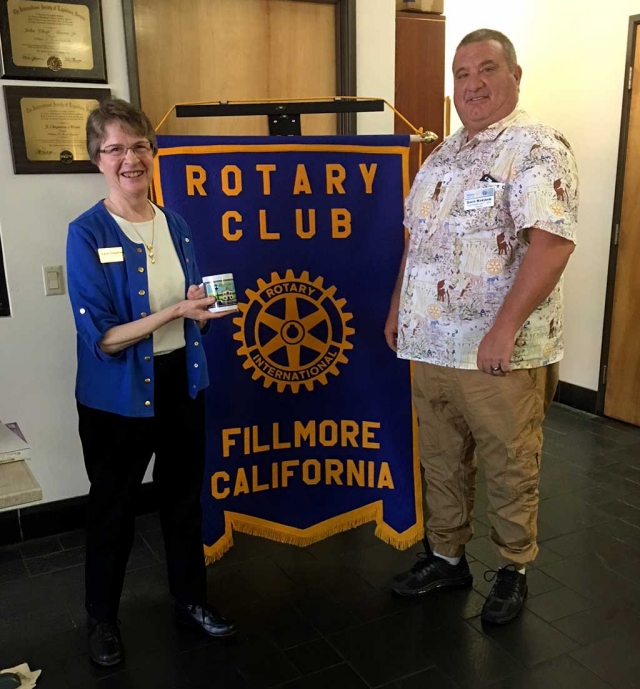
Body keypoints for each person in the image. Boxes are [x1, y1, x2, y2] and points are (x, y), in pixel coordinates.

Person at [384, 29, 578, 624]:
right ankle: (446, 557)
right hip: (431, 343)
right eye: (462, 74)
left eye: (487, 69)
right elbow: (418, 244)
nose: (473, 84)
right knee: (441, 459)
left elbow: (550, 245)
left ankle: (513, 568)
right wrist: (398, 307)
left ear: (515, 76)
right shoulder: (443, 153)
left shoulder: (537, 147)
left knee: (510, 462)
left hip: (498, 353)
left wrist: (502, 330)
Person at [67, 98, 237, 667]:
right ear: (98, 160)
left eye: (138, 145)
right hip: (115, 395)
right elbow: (106, 339)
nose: (129, 159)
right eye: (114, 148)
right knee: (112, 509)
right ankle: (102, 621)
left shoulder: (176, 224)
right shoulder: (86, 234)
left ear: (153, 152)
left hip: (181, 381)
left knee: (184, 500)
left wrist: (198, 308)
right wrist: (173, 314)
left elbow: (186, 302)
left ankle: (191, 601)